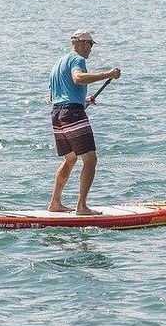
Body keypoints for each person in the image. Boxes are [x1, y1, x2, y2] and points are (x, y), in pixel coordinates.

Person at [47, 29, 121, 215]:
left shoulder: (58, 63)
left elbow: (54, 96)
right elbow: (78, 78)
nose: (90, 49)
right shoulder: (77, 60)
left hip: (57, 114)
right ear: (79, 43)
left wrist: (82, 100)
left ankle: (55, 203)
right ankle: (82, 207)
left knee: (70, 159)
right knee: (90, 159)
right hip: (72, 114)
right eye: (89, 44)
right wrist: (108, 74)